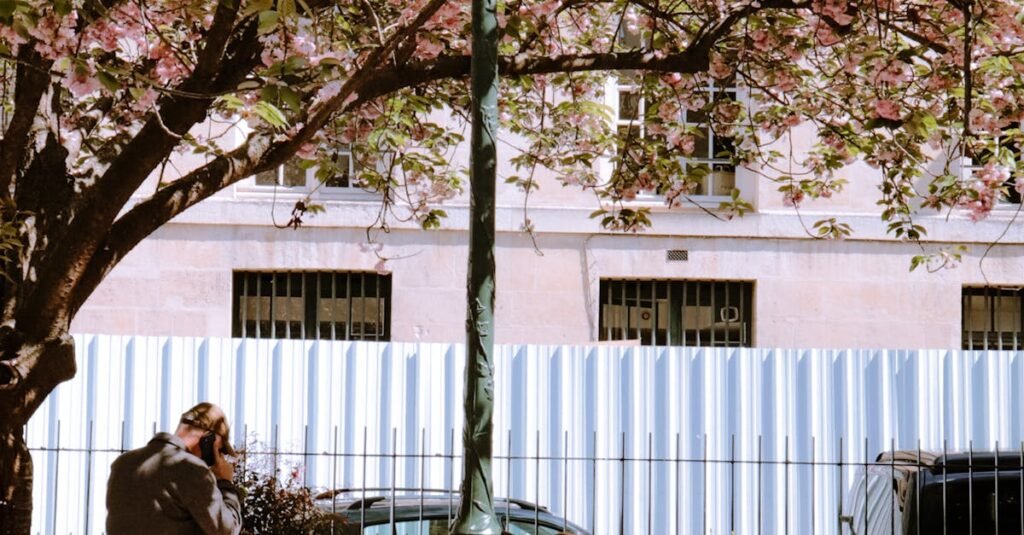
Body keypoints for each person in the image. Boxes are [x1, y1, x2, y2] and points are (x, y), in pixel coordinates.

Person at [106, 402, 243, 534]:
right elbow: (226, 530)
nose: (215, 458)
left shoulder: (122, 463)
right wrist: (225, 483)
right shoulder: (191, 468)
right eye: (218, 450)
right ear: (208, 439)